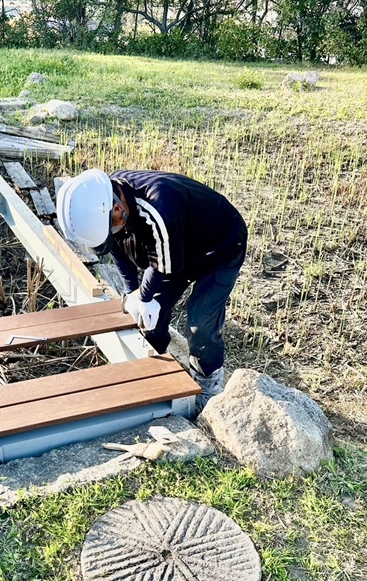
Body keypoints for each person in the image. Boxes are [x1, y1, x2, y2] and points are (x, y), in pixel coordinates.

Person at [56, 168, 247, 411]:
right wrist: (133, 293)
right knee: (148, 320)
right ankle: (153, 369)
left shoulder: (160, 207)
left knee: (201, 325)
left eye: (113, 226)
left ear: (117, 208)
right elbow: (118, 248)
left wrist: (145, 296)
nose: (113, 231)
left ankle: (208, 388)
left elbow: (159, 266)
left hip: (219, 247)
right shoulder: (105, 202)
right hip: (175, 248)